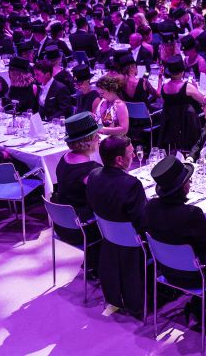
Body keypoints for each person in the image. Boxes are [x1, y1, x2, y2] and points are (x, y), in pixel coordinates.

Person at [86, 135, 147, 319]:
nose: (135, 156)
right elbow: (141, 222)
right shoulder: (131, 184)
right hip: (133, 245)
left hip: (108, 236)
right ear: (119, 160)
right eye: (131, 153)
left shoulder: (94, 175)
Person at [143, 152, 206, 290]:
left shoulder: (150, 206)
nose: (190, 183)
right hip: (196, 276)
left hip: (165, 269)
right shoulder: (191, 214)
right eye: (189, 180)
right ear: (184, 186)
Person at [53, 112, 103, 274]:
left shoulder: (64, 159)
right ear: (86, 142)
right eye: (96, 136)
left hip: (61, 223)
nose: (99, 139)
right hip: (80, 229)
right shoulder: (90, 171)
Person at [158, 55, 204, 152]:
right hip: (188, 126)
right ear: (182, 72)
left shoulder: (164, 87)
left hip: (170, 127)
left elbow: (164, 103)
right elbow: (203, 100)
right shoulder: (188, 87)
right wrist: (196, 87)